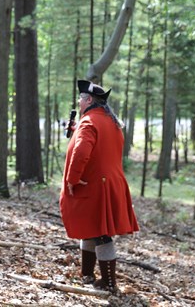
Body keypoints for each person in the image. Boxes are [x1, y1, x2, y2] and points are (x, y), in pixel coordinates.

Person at [60, 80, 139, 291]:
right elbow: (97, 139)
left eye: (80, 98)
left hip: (95, 185)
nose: (78, 101)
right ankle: (87, 275)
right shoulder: (110, 121)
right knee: (90, 228)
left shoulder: (89, 123)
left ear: (88, 100)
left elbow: (82, 151)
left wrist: (72, 178)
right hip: (110, 183)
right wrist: (76, 128)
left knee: (101, 234)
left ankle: (109, 283)